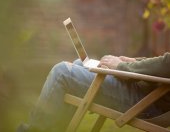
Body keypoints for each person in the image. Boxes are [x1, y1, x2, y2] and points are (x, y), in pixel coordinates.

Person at [17, 52, 170, 132]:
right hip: (148, 90)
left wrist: (121, 67)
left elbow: (167, 64)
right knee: (79, 64)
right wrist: (134, 62)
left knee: (62, 72)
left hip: (149, 101)